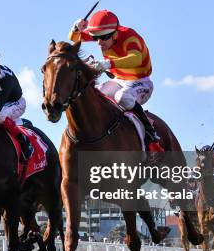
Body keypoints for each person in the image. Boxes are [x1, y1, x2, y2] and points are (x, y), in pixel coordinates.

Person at [69, 10, 163, 152]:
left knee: (122, 97)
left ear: (115, 33)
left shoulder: (130, 37)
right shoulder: (105, 33)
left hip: (141, 81)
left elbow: (136, 58)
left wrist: (108, 64)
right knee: (95, 95)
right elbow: (74, 38)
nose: (99, 43)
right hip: (119, 80)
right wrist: (76, 28)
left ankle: (151, 134)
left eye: (103, 38)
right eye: (95, 38)